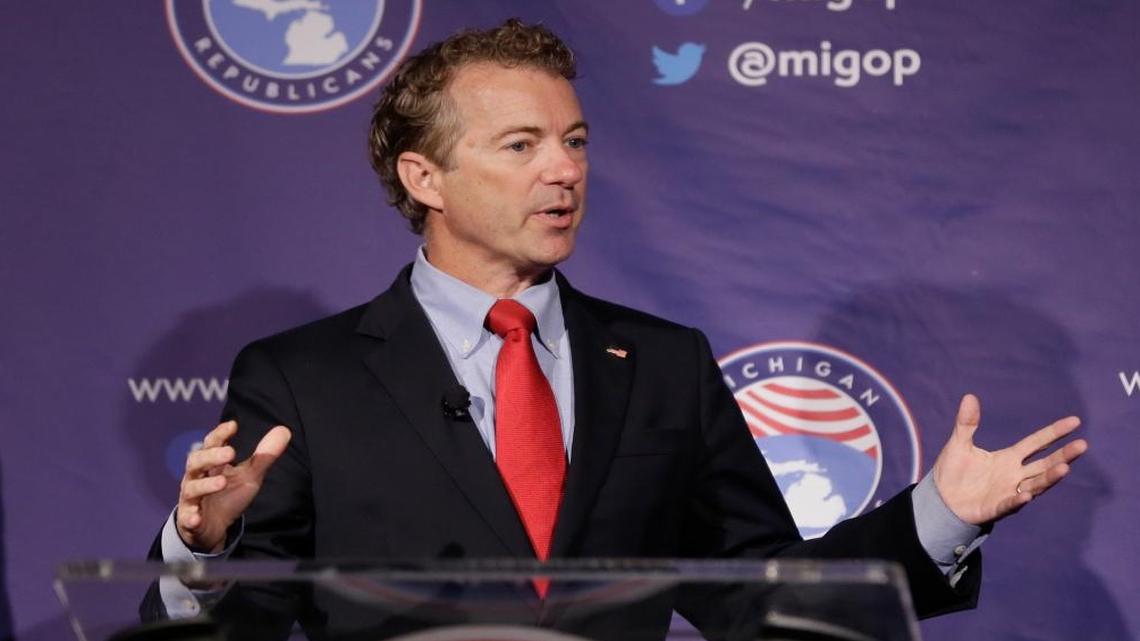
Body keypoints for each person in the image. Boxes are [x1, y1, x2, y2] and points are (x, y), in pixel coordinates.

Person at [149, 18, 1087, 640]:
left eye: (575, 142)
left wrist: (940, 514)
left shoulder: (663, 364)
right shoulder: (304, 377)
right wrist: (205, 551)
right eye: (521, 145)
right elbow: (238, 623)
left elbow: (763, 595)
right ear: (424, 178)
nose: (564, 170)